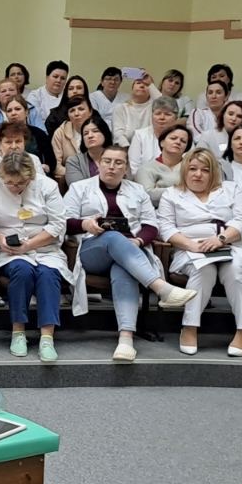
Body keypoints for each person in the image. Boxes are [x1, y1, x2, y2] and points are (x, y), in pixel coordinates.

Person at [64, 144, 199, 361]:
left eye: (118, 162)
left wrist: (138, 240)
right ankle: (162, 288)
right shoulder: (79, 188)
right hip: (93, 250)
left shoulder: (137, 190)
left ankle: (125, 340)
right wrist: (85, 224)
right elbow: (65, 222)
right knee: (113, 237)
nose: (112, 166)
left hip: (130, 252)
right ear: (99, 164)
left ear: (126, 168)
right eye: (107, 161)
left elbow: (151, 225)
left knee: (123, 269)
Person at [158, 147, 242, 356]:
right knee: (203, 269)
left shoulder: (231, 189)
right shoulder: (172, 194)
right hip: (190, 248)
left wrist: (221, 239)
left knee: (236, 270)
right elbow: (166, 228)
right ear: (184, 170)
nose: (198, 174)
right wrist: (191, 246)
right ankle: (190, 327)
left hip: (229, 245)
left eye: (205, 170)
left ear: (214, 172)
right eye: (193, 169)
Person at [0, 151, 67, 361]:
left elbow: (57, 224)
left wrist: (29, 245)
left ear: (31, 177)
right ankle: (18, 332)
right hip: (9, 250)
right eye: (9, 183)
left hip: (45, 247)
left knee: (48, 274)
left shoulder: (47, 186)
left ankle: (47, 337)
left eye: (20, 183)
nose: (14, 187)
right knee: (22, 271)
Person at [134, 124, 192, 206]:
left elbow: (198, 192)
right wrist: (182, 190)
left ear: (186, 148)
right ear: (162, 143)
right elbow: (148, 196)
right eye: (173, 138)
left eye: (183, 141)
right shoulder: (145, 169)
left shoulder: (192, 167)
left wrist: (160, 190)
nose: (178, 142)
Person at [128, 97, 182, 175]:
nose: (162, 117)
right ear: (152, 116)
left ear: (176, 118)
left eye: (167, 114)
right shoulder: (140, 135)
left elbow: (187, 166)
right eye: (158, 113)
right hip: (143, 180)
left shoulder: (183, 137)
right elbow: (133, 168)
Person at [64, 115, 113, 185]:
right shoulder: (74, 161)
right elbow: (77, 188)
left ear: (105, 133)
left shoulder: (118, 157)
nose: (90, 136)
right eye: (86, 133)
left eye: (95, 131)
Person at [109, 74, 156, 146]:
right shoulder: (121, 108)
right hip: (125, 147)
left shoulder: (155, 108)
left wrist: (151, 84)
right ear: (132, 88)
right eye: (138, 83)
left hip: (150, 146)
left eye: (146, 85)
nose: (142, 86)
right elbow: (118, 134)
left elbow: (166, 104)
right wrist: (129, 149)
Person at [187, 79, 231, 145]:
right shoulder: (198, 113)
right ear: (206, 97)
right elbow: (196, 136)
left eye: (218, 92)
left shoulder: (231, 116)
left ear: (226, 97)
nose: (213, 96)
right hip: (202, 149)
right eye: (210, 93)